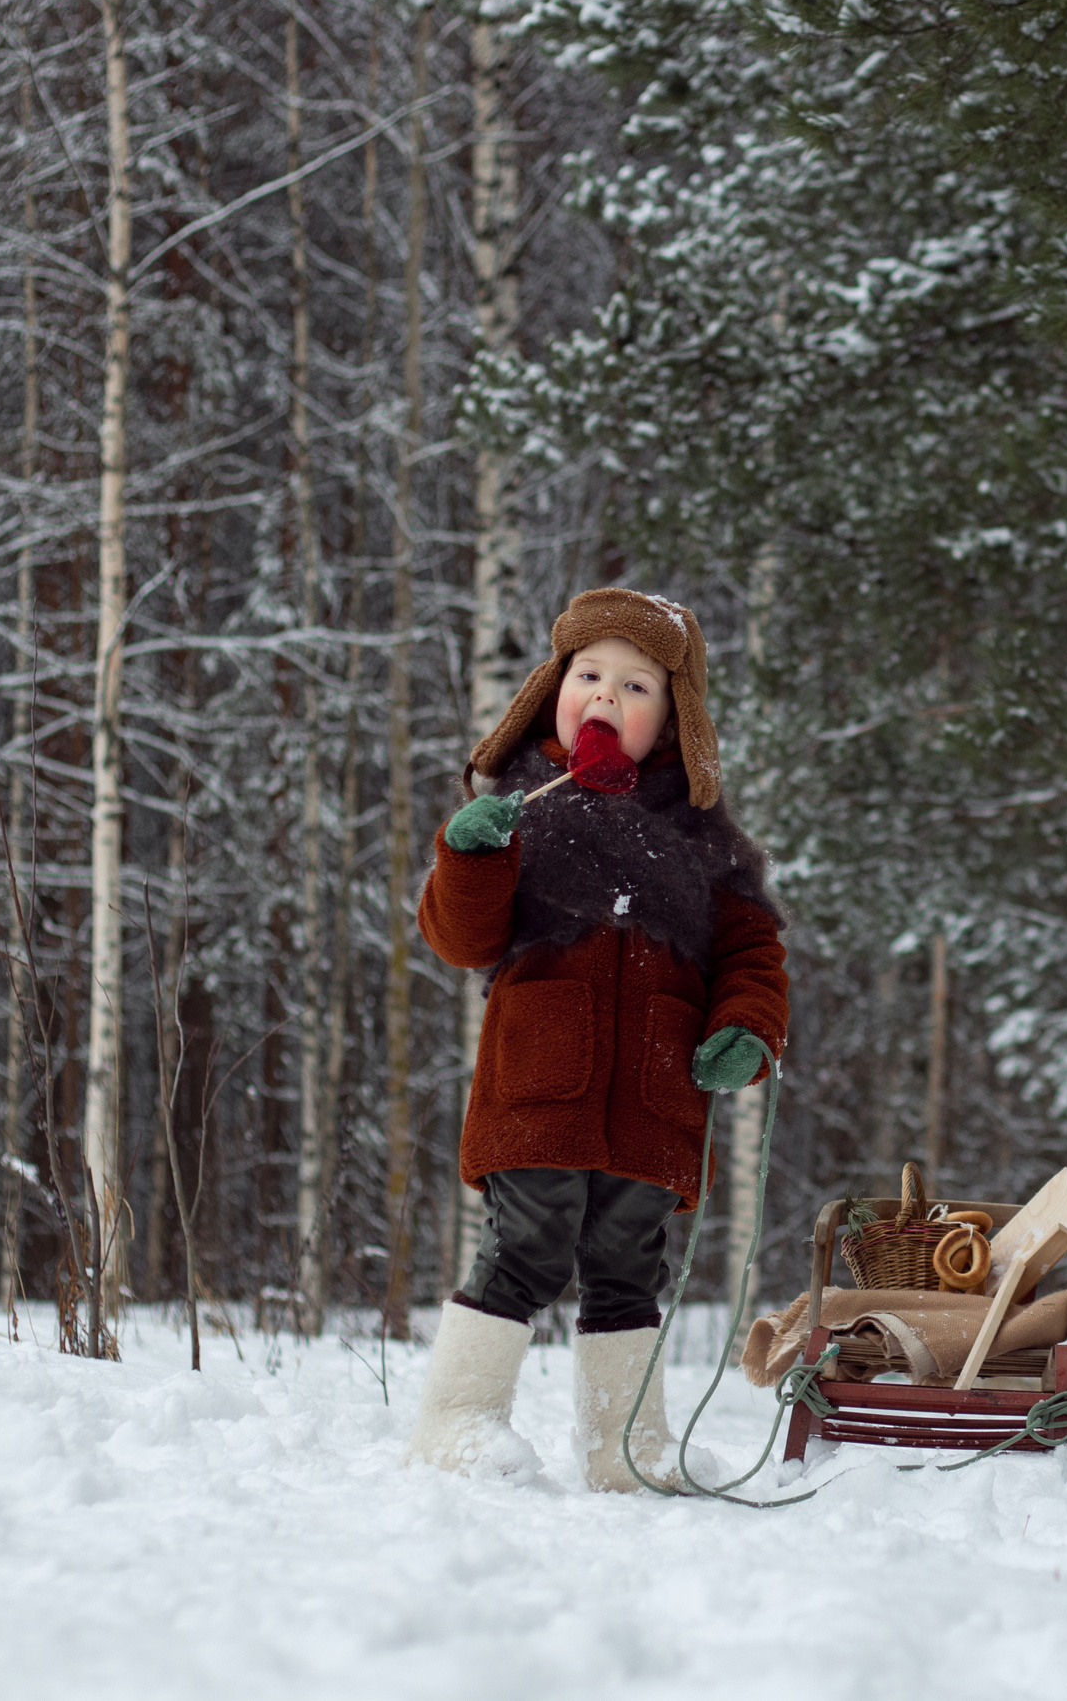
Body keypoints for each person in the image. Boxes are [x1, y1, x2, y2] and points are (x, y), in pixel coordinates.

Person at [402, 587, 788, 1490]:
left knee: (627, 1265)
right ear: (553, 691)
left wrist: (746, 1023)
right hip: (540, 1080)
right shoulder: (520, 810)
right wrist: (468, 858)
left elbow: (750, 947)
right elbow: (461, 939)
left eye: (636, 686)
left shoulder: (704, 842)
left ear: (675, 720)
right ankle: (457, 1421)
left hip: (656, 1091)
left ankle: (628, 1447)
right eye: (590, 676)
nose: (607, 698)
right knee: (528, 1242)